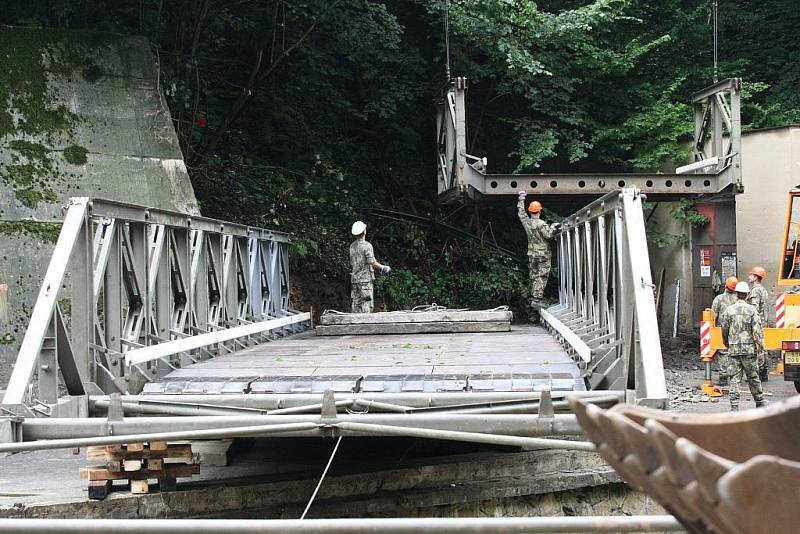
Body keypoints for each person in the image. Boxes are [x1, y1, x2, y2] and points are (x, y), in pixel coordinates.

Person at [719, 281, 767, 412]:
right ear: (746, 295)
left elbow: (724, 330)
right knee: (753, 376)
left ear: (736, 294)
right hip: (749, 350)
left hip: (733, 349)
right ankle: (760, 401)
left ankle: (734, 406)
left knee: (734, 378)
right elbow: (758, 331)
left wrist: (727, 344)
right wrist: (761, 347)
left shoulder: (729, 310)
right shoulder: (752, 310)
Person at [517, 191, 560, 309]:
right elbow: (549, 235)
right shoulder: (541, 224)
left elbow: (521, 214)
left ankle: (534, 298)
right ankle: (537, 300)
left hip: (532, 254)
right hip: (543, 254)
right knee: (542, 276)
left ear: (530, 211)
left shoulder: (527, 223)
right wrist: (554, 226)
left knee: (534, 275)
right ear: (540, 211)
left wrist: (521, 199)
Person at [349, 221, 390, 313]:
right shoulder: (367, 246)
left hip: (355, 280)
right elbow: (372, 262)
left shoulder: (352, 246)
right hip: (365, 281)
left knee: (356, 304)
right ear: (364, 232)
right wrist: (383, 267)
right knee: (366, 303)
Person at [711, 276, 738, 386]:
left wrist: (712, 329)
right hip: (737, 328)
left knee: (723, 352)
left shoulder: (719, 298)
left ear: (726, 286)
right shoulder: (739, 299)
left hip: (722, 328)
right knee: (735, 352)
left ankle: (723, 377)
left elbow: (713, 315)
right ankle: (735, 376)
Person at [746, 266, 770, 381]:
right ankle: (764, 372)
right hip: (763, 322)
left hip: (757, 323)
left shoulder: (755, 291)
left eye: (751, 275)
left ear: (755, 277)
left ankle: (759, 373)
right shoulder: (763, 290)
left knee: (758, 348)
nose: (749, 276)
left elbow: (753, 309)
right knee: (763, 347)